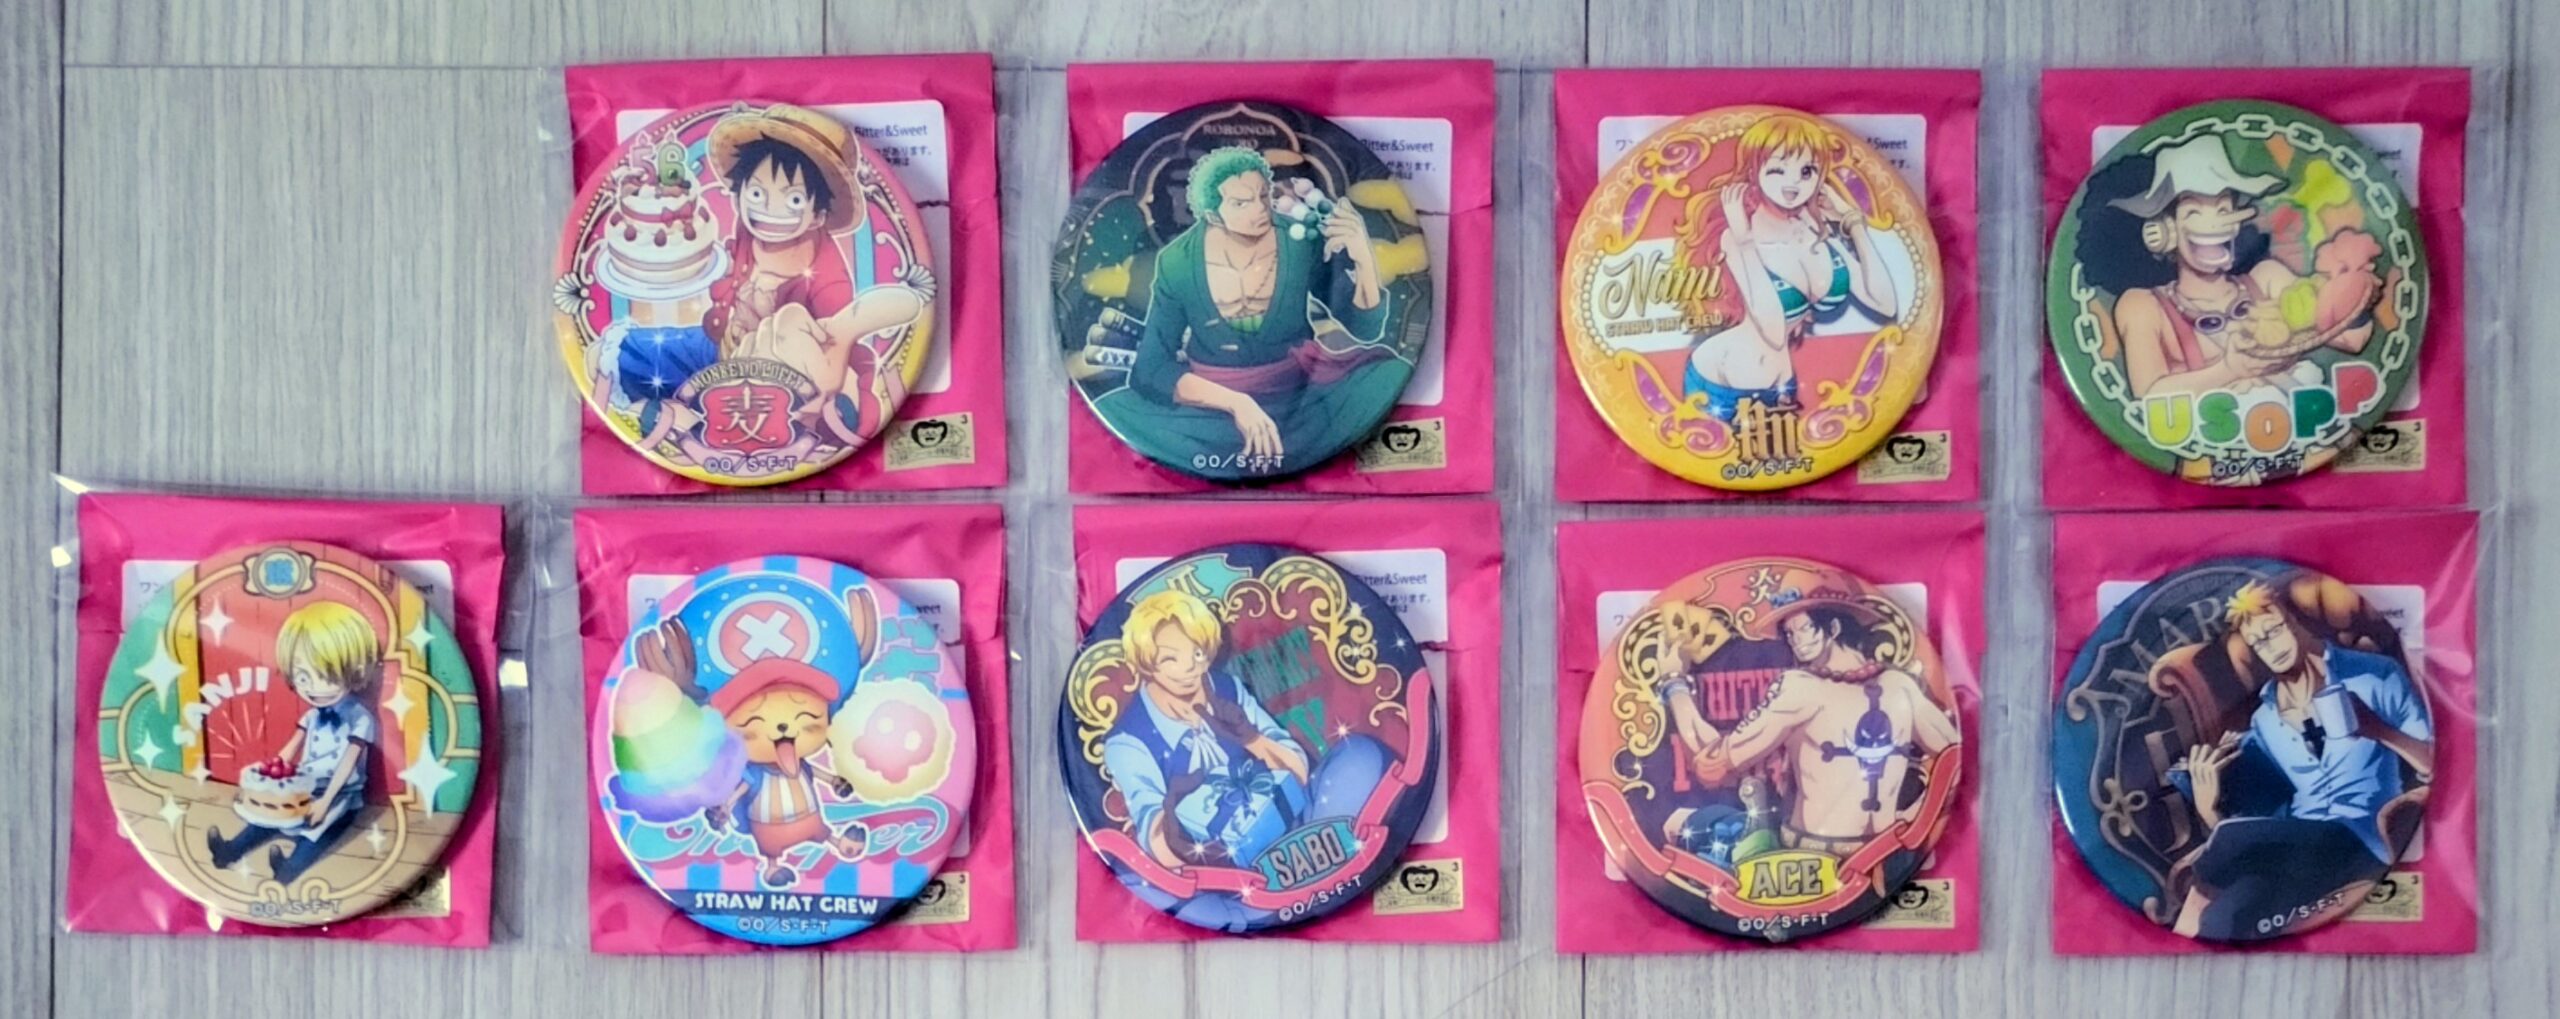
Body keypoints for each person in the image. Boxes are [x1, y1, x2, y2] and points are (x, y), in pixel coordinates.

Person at [1093, 146, 1409, 473]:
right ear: (1212, 214)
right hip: (1210, 404)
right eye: (1241, 203)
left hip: (1300, 394)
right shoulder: (1177, 262)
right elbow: (1151, 367)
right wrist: (1237, 404)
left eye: (1263, 195)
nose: (1260, 209)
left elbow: (1364, 328)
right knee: (1114, 408)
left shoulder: (1299, 241)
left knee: (1390, 373)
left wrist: (1363, 258)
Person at [2170, 581, 2433, 939]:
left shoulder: (2373, 675)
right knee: (2223, 916)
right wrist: (2208, 800)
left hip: (2360, 838)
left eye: (2274, 631)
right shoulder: (2264, 719)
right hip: (2298, 850)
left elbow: (2431, 762)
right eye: (2259, 643)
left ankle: (2185, 913)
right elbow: (2265, 809)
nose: (2271, 647)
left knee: (2229, 841)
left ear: (2297, 622)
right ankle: (2175, 951)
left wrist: (2379, 729)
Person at [686, 105, 933, 446]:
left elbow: (830, 348)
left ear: (818, 215)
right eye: (756, 193)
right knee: (636, 353)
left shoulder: (826, 278)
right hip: (724, 355)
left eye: (793, 199)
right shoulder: (745, 232)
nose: (767, 209)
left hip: (782, 379)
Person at [2073, 135, 2377, 399]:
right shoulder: (2143, 306)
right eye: (2194, 211)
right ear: (2164, 232)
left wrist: (2356, 295)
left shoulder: (2268, 280)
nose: (2215, 221)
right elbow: (2148, 395)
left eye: (2223, 208)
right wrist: (2229, 370)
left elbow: (2353, 340)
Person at [1679, 598, 1960, 856]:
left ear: (1833, 628)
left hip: (1878, 858)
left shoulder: (1888, 686)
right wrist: (1917, 820)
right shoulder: (1896, 686)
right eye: (1789, 634)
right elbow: (1717, 764)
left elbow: (1954, 760)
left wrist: (1673, 684)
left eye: (1803, 629)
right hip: (1827, 860)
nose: (1795, 641)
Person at [1678, 114, 1902, 422]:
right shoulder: (1738, 235)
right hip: (1720, 383)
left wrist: (1853, 222)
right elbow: (1772, 331)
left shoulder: (1814, 229)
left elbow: (1884, 302)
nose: (1794, 183)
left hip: (1783, 385)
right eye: (1778, 169)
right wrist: (1745, 241)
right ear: (1754, 171)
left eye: (1807, 170)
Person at [206, 603, 380, 882]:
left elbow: (349, 762)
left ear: (355, 670)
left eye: (327, 675)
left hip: (341, 793)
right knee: (266, 819)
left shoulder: (360, 718)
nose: (313, 687)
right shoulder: (312, 715)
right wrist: (265, 779)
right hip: (304, 786)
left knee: (316, 829)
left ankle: (289, 869)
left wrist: (325, 802)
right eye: (303, 676)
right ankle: (228, 852)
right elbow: (288, 751)